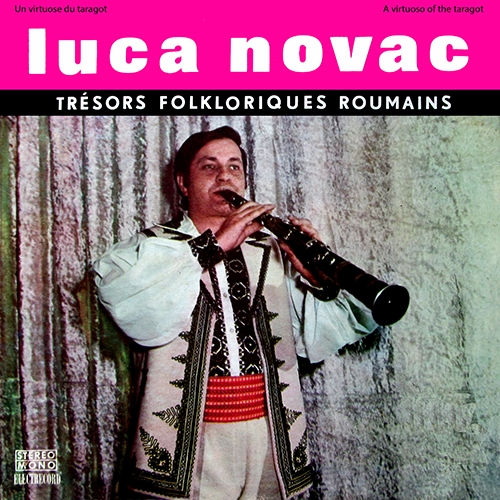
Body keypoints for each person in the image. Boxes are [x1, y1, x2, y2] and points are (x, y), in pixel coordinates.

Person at [93, 126, 378, 500]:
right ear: (183, 183)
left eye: (234, 167)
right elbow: (125, 299)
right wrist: (214, 245)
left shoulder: (273, 250)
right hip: (189, 442)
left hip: (269, 436)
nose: (225, 177)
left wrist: (320, 281)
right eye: (209, 167)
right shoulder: (152, 248)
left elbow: (318, 336)